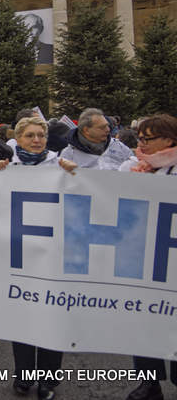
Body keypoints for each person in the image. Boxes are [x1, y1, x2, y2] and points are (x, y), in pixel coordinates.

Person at [0, 117, 77, 400]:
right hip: (19, 256)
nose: (37, 140)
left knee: (52, 317)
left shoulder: (60, 166)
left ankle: (49, 381)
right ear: (18, 139)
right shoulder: (7, 167)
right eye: (30, 136)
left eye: (41, 135)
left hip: (54, 256)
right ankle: (25, 375)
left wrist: (76, 175)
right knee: (23, 318)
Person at [118, 114, 177, 400]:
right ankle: (148, 382)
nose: (140, 143)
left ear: (169, 139)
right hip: (142, 255)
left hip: (172, 257)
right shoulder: (134, 167)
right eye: (139, 137)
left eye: (147, 138)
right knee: (143, 318)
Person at [59, 108, 132, 170]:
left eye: (107, 126)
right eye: (102, 127)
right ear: (86, 130)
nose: (108, 130)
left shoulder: (119, 147)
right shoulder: (69, 154)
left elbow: (134, 169)